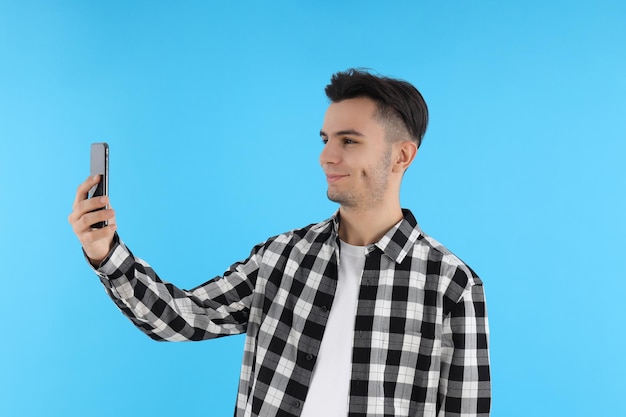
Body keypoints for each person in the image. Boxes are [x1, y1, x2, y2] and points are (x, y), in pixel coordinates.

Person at [69, 69, 491, 417]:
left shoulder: (451, 285)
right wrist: (105, 253)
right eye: (325, 140)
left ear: (402, 156)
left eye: (349, 140)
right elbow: (186, 318)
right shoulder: (283, 256)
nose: (327, 156)